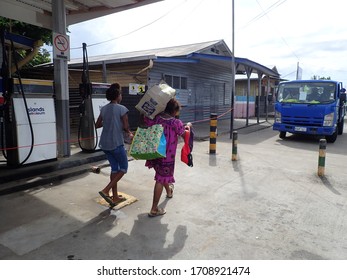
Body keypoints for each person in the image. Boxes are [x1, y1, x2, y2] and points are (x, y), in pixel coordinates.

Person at [143, 98, 189, 217]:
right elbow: (184, 135)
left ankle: (169, 191)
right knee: (160, 179)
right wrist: (188, 127)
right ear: (174, 111)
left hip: (155, 153)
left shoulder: (157, 118)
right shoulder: (176, 123)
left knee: (161, 175)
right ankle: (154, 209)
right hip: (167, 156)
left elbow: (146, 119)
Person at [95, 83, 133, 208]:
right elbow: (126, 126)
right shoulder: (122, 109)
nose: (121, 96)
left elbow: (97, 124)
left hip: (105, 144)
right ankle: (106, 190)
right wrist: (129, 132)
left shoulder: (104, 109)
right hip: (116, 143)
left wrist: (109, 122)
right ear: (117, 96)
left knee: (114, 169)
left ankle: (115, 196)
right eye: (121, 94)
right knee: (123, 168)